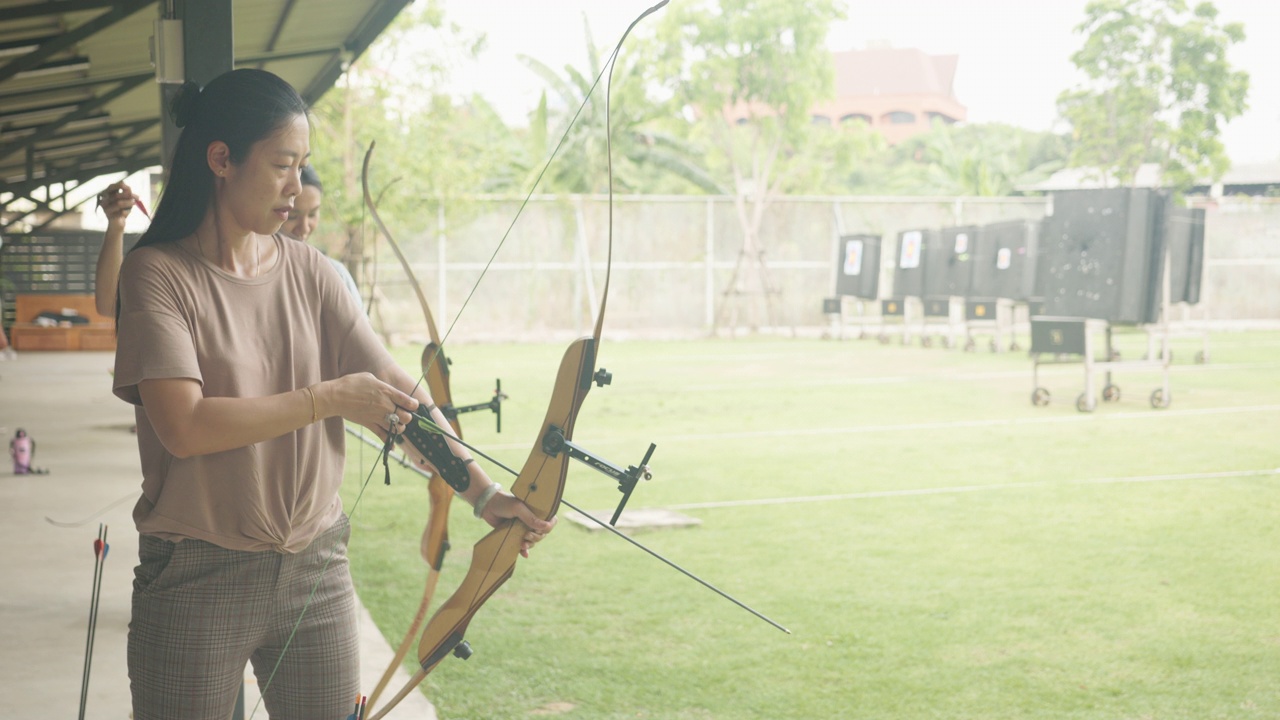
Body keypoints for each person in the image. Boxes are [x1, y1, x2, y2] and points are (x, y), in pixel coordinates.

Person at [112, 68, 554, 720]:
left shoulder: (313, 274)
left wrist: (483, 492)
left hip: (314, 569)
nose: (297, 187)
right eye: (282, 165)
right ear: (221, 160)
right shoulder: (159, 274)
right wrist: (328, 400)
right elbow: (186, 426)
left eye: (304, 166)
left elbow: (397, 395)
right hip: (196, 575)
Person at [280, 164, 363, 309]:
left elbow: (362, 330)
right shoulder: (253, 274)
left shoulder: (335, 274)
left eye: (312, 214)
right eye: (292, 216)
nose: (304, 227)